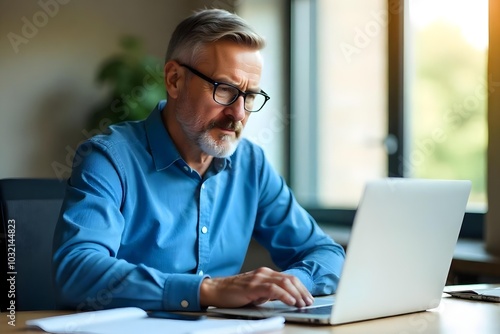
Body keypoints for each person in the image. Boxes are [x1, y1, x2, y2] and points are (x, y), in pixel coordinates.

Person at [52, 8, 345, 312]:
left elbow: (325, 253)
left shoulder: (251, 165)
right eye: (225, 89)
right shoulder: (109, 159)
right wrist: (206, 290)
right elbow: (76, 271)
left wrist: (287, 284)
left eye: (250, 96)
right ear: (175, 80)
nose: (239, 114)